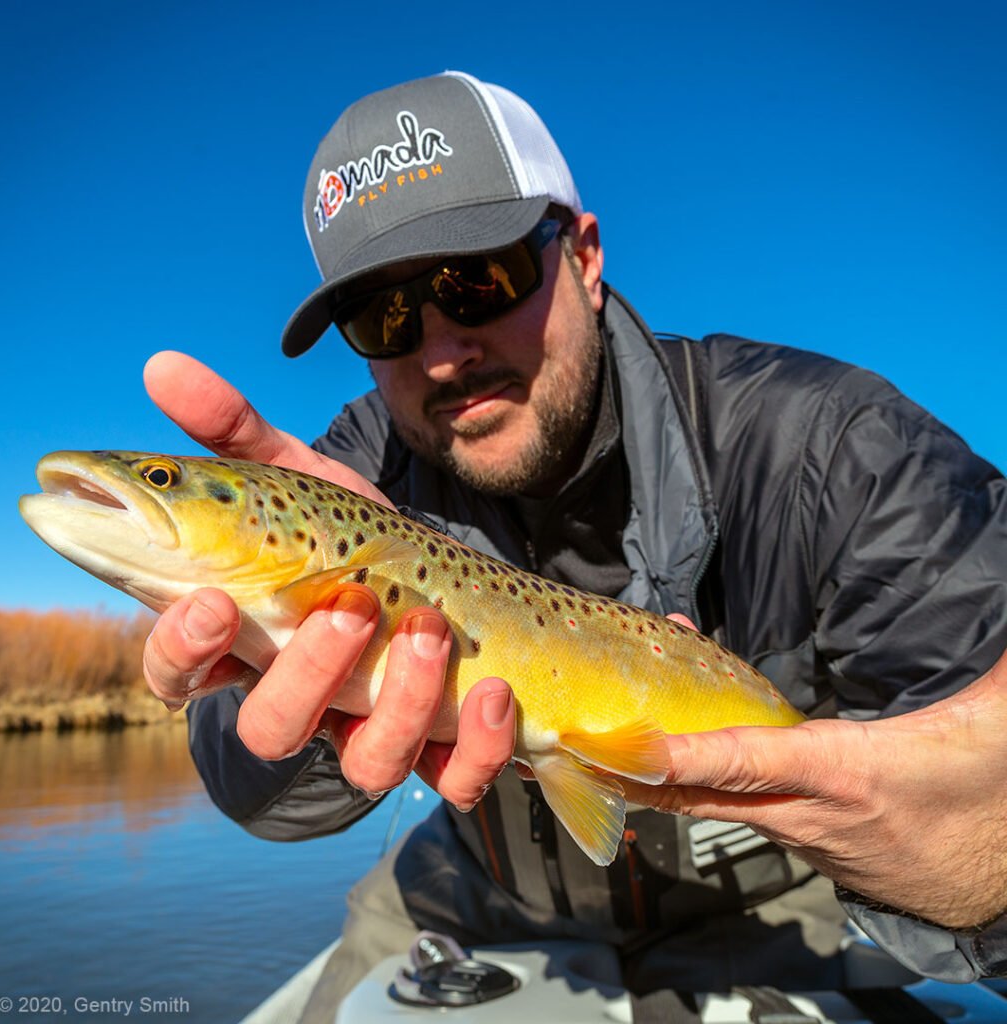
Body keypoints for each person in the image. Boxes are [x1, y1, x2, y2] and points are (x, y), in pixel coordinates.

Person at [141, 70, 1007, 1013]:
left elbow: (972, 772)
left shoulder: (835, 451)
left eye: (477, 278)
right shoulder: (349, 480)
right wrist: (292, 700)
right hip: (467, 898)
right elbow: (247, 781)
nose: (441, 350)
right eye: (383, 315)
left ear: (585, 258)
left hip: (772, 896)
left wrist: (969, 871)